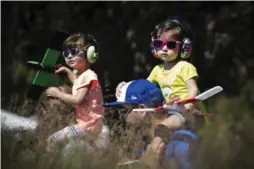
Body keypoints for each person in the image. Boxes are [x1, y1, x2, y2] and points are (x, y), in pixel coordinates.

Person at [115, 18, 206, 166]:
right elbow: (144, 87)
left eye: (170, 45)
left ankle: (149, 159)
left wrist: (189, 102)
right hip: (172, 112)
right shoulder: (157, 70)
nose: (164, 49)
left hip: (187, 112)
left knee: (161, 128)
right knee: (156, 129)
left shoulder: (184, 67)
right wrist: (124, 86)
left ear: (184, 48)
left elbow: (193, 88)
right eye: (159, 44)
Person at [105, 79, 200, 169]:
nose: (123, 117)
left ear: (142, 110)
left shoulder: (181, 144)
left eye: (124, 111)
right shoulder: (144, 147)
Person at [45, 33, 109, 152]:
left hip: (87, 126)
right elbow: (78, 84)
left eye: (74, 52)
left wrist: (58, 94)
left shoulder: (88, 76)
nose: (69, 56)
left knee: (52, 140)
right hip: (92, 125)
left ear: (89, 54)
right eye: (66, 53)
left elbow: (77, 99)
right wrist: (67, 71)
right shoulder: (87, 75)